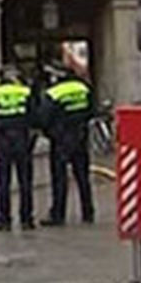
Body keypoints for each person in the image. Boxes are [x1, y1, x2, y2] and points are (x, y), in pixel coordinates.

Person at [40, 65, 95, 226]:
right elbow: (91, 110)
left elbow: (44, 117)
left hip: (61, 138)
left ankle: (58, 214)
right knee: (83, 177)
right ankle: (88, 212)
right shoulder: (82, 88)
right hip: (81, 136)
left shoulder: (54, 93)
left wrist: (49, 132)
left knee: (59, 178)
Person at [0, 67, 36, 231]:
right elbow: (35, 116)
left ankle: (4, 219)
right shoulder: (25, 92)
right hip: (22, 140)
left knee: (4, 184)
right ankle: (26, 218)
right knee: (25, 182)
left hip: (1, 141)